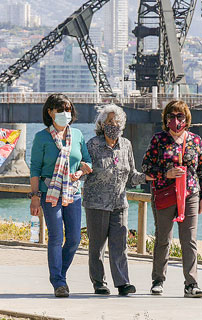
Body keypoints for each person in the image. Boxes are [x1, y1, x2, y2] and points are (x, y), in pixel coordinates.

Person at [142, 100, 202, 298]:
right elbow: (146, 167)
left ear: (186, 119)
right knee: (164, 237)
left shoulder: (195, 141)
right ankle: (158, 280)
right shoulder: (158, 140)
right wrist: (166, 173)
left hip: (190, 194)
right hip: (164, 194)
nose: (176, 120)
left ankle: (191, 283)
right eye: (171, 116)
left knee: (189, 240)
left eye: (180, 116)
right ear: (165, 119)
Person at [29, 93, 92, 298]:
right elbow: (35, 169)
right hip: (50, 193)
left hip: (73, 192)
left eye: (68, 109)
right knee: (56, 237)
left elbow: (88, 161)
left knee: (74, 238)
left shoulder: (78, 135)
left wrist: (81, 172)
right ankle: (58, 282)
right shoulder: (42, 137)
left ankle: (60, 275)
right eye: (60, 109)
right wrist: (35, 196)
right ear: (50, 112)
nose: (65, 113)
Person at [83, 104, 146, 296]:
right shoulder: (92, 145)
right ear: (102, 124)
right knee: (97, 246)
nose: (114, 124)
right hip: (96, 203)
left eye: (117, 121)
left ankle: (122, 282)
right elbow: (84, 171)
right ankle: (99, 282)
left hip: (119, 203)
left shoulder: (126, 145)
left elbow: (132, 176)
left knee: (120, 245)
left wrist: (147, 177)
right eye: (110, 121)